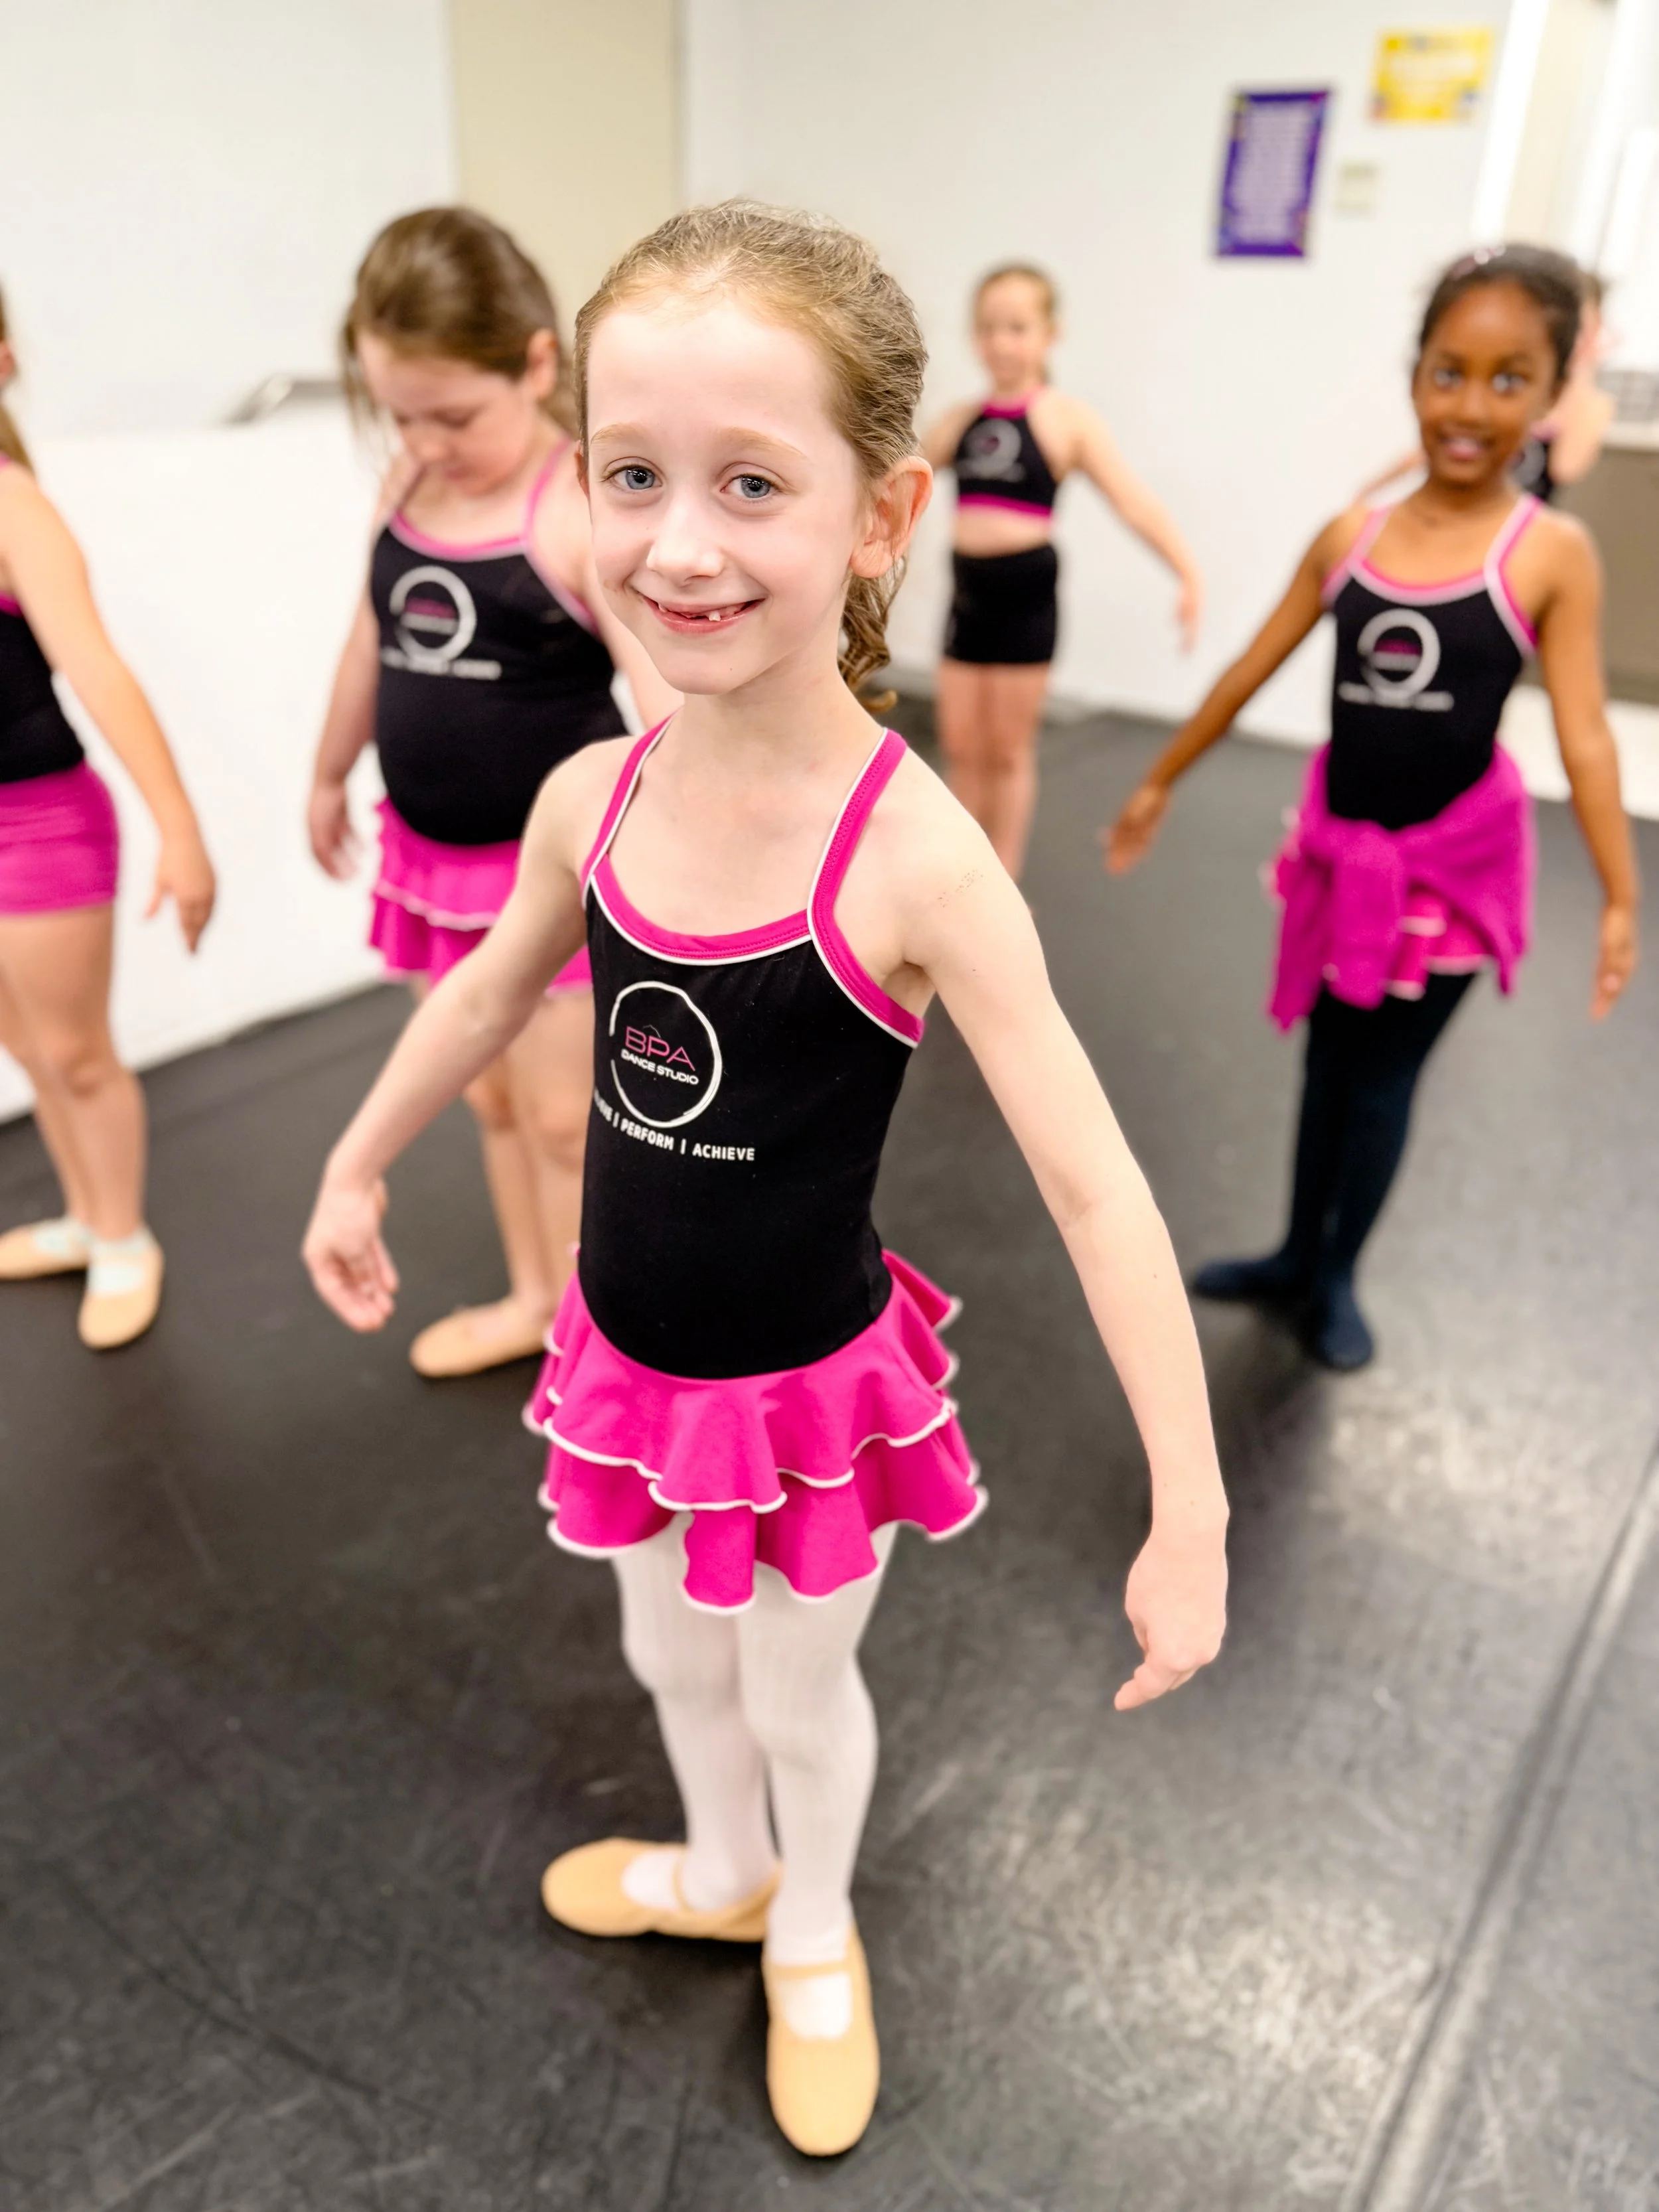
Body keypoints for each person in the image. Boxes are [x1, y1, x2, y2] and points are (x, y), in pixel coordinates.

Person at [303, 202, 1228, 2158]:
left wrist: (1190, 1503)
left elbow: (1090, 1188)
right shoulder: (597, 790)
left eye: (750, 482)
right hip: (623, 1354)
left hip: (802, 1390)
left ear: (881, 515)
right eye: (631, 476)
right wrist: (360, 1161)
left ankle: (811, 1919)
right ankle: (719, 1861)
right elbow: (484, 993)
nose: (678, 541)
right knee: (657, 1649)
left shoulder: (909, 859)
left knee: (799, 1688)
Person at [1107, 244, 1638, 1371]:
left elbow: (1587, 733)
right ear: (1415, 376)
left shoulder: (1548, 553)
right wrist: (1161, 776)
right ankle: (1296, 1251)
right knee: (1326, 1064)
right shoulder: (1353, 538)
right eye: (1450, 372)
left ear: (1549, 397)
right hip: (1343, 859)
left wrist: (1621, 895)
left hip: (1449, 873)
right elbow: (1249, 667)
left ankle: (1341, 1273)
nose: (1472, 405)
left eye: (1509, 380)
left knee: (1384, 1077)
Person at [309, 208, 677, 1378]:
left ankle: (593, 1339)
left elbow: (661, 696)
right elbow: (370, 634)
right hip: (434, 858)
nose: (425, 438)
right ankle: (533, 1297)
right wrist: (328, 767)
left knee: (570, 1117)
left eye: (451, 413)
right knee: (492, 1104)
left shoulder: (571, 509)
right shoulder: (408, 488)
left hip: (552, 879)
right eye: (399, 412)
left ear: (534, 362)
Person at [0, 286, 215, 1348]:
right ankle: (86, 1219)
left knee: (76, 1051)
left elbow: (100, 673)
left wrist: (179, 827)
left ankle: (126, 1235)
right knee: (29, 1052)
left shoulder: (14, 507)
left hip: (39, 827)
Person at [921, 264, 1203, 877]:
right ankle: (953, 879)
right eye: (989, 328)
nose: (1002, 342)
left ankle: (1003, 881)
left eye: (1018, 327)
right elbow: (897, 482)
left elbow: (1133, 501)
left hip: (1025, 596)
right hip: (967, 597)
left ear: (1050, 334)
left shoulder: (1064, 421)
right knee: (964, 748)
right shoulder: (958, 422)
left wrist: (1187, 572)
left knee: (1008, 751)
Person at [1358, 254, 1615, 506]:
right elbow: (1431, 449)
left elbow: (1566, 467)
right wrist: (1370, 491)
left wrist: (1582, 370)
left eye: (1582, 329)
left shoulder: (1591, 403)